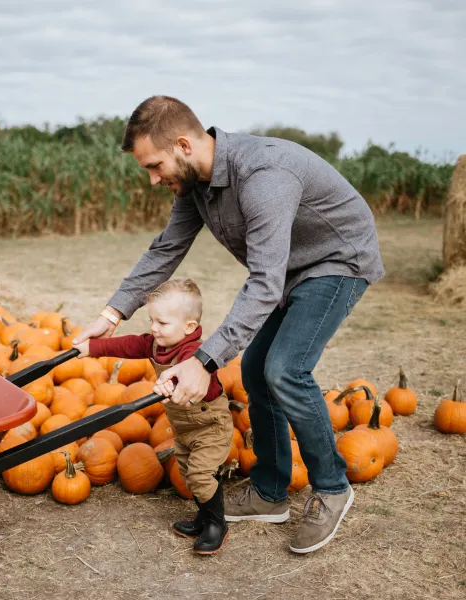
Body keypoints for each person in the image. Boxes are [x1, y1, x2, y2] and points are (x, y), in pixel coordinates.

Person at [72, 95, 385, 554]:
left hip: (337, 261)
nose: (154, 178)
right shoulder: (195, 184)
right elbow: (166, 249)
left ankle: (334, 487)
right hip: (290, 271)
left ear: (182, 144)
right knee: (257, 371)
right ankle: (271, 491)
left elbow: (264, 282)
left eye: (155, 165)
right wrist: (111, 314)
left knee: (284, 369)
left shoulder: (263, 176)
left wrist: (204, 360)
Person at [73, 278, 234, 555]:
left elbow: (191, 376)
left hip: (210, 425)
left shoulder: (194, 353)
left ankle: (217, 524)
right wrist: (94, 348)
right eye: (152, 320)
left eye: (162, 323)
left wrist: (171, 384)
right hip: (184, 426)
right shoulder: (157, 344)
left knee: (199, 474)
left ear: (189, 327)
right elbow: (129, 345)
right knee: (188, 470)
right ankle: (205, 516)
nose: (153, 328)